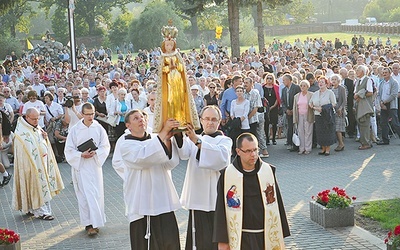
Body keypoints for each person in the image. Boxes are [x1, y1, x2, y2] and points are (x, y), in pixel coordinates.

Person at [213, 133, 290, 250]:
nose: (253, 154)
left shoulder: (268, 171)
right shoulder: (227, 175)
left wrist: (281, 231)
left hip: (266, 235)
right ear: (238, 151)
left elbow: (276, 201)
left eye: (255, 150)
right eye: (248, 151)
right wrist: (222, 240)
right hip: (241, 237)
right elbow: (221, 209)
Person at [118, 110, 181, 249]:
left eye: (142, 117)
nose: (141, 120)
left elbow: (170, 164)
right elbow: (143, 158)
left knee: (170, 242)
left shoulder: (156, 138)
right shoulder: (125, 144)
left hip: (163, 199)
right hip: (142, 202)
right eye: (136, 118)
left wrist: (168, 139)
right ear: (128, 125)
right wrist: (163, 134)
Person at [174, 106, 232, 250]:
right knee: (198, 240)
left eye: (214, 119)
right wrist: (179, 133)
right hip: (197, 198)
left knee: (216, 241)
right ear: (201, 120)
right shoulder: (194, 139)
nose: (210, 123)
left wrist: (198, 142)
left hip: (216, 199)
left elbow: (221, 160)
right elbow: (183, 153)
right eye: (207, 119)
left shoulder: (225, 141)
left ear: (219, 122)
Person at [65, 103, 110, 236]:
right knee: (84, 196)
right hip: (82, 166)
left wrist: (97, 153)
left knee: (96, 194)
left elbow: (105, 146)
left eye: (92, 114)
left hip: (94, 166)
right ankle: (88, 224)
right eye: (88, 114)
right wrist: (80, 155)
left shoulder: (99, 128)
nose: (91, 117)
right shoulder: (75, 129)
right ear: (82, 114)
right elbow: (68, 149)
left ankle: (97, 223)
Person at [13, 107, 64, 220]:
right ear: (27, 117)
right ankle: (42, 212)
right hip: (31, 165)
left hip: (42, 162)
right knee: (36, 185)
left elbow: (39, 141)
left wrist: (44, 138)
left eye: (38, 119)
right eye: (34, 119)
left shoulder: (35, 126)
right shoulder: (21, 133)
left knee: (43, 185)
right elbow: (25, 151)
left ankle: (34, 208)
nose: (37, 121)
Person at [153, 24, 200, 133]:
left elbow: (182, 67)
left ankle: (181, 119)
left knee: (179, 99)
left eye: (171, 45)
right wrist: (168, 68)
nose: (169, 47)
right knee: (170, 100)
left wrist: (176, 66)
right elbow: (161, 71)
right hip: (169, 80)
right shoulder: (163, 57)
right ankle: (170, 120)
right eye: (167, 45)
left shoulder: (177, 54)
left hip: (178, 79)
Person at [309, 77, 337, 156]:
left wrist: (323, 108)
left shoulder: (330, 92)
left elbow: (334, 104)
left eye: (322, 82)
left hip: (327, 115)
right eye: (319, 82)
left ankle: (327, 149)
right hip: (318, 115)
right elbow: (310, 102)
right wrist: (314, 107)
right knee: (320, 132)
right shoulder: (315, 93)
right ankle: (323, 148)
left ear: (326, 84)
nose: (320, 84)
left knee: (327, 132)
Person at [377, 67, 400, 145]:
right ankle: (385, 140)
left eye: (386, 72)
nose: (384, 74)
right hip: (383, 104)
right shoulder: (381, 83)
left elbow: (394, 94)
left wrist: (384, 102)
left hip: (391, 104)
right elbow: (379, 94)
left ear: (390, 73)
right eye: (383, 73)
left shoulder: (394, 82)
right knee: (383, 122)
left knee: (395, 123)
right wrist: (381, 103)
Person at [354, 65, 374, 150]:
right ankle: (364, 142)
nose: (356, 71)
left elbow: (370, 92)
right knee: (360, 124)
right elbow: (355, 93)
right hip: (358, 105)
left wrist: (360, 95)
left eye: (358, 70)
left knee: (365, 124)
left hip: (365, 106)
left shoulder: (368, 80)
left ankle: (366, 143)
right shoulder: (357, 81)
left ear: (362, 71)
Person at [293, 80, 314, 155]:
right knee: (300, 131)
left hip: (308, 115)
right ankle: (301, 148)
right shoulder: (296, 96)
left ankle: (308, 148)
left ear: (308, 87)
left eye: (304, 86)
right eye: (301, 85)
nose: (302, 87)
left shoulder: (311, 95)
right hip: (299, 115)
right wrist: (295, 119)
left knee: (308, 132)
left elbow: (313, 104)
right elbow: (295, 107)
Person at [281, 74, 301, 151]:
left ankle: (297, 144)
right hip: (288, 112)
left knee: (297, 128)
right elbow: (282, 101)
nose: (283, 82)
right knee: (290, 127)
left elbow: (299, 99)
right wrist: (286, 110)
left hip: (296, 111)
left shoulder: (296, 87)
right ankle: (290, 142)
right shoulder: (283, 90)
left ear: (289, 80)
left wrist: (294, 110)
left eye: (284, 80)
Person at [330, 74, 347, 151]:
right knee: (335, 129)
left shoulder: (342, 88)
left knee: (338, 129)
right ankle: (339, 143)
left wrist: (340, 108)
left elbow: (344, 101)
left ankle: (341, 144)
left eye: (335, 79)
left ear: (338, 80)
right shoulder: (331, 89)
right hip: (333, 111)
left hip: (340, 111)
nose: (333, 81)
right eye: (332, 79)